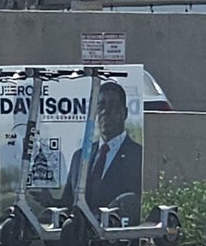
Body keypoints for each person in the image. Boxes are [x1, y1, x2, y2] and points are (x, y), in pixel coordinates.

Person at [58, 81, 143, 218]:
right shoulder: (79, 157)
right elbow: (67, 204)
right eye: (101, 105)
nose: (105, 111)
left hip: (117, 236)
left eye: (112, 105)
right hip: (80, 237)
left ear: (124, 113)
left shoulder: (138, 156)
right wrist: (49, 202)